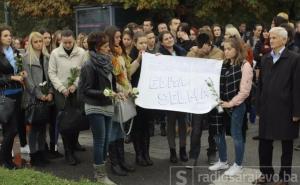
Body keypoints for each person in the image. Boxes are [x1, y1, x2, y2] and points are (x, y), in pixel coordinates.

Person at [253, 27, 300, 185]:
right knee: (264, 145)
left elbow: (297, 87)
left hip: (286, 109)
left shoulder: (294, 59)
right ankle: (266, 174)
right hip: (267, 108)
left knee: (287, 145)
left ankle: (284, 177)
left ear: (284, 40)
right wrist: (258, 107)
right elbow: (260, 85)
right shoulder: (265, 58)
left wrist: (297, 111)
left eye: (274, 38)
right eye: (270, 38)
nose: (270, 40)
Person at [208, 36, 253, 176]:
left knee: (236, 135)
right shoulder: (223, 64)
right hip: (220, 104)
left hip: (236, 106)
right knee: (218, 132)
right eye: (224, 49)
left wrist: (230, 103)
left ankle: (238, 165)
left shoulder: (245, 65)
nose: (226, 51)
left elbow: (245, 92)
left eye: (229, 49)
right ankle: (223, 161)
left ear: (237, 49)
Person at [78, 31, 117, 185]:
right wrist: (105, 93)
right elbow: (85, 89)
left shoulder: (108, 61)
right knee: (100, 140)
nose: (109, 48)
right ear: (97, 47)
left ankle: (102, 172)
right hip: (94, 106)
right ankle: (100, 176)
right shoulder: (88, 64)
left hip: (108, 105)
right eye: (106, 46)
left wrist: (118, 93)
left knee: (107, 141)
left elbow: (111, 84)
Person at [48, 29, 86, 165]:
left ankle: (74, 145)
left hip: (76, 90)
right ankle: (68, 152)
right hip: (61, 91)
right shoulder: (55, 53)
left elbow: (82, 71)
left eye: (70, 42)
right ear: (60, 41)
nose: (68, 45)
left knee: (76, 118)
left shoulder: (81, 53)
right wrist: (62, 88)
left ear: (74, 40)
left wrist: (75, 85)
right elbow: (51, 73)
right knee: (64, 121)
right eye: (65, 42)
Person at [187, 33, 223, 167]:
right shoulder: (193, 52)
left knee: (214, 127)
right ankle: (193, 156)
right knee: (196, 129)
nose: (205, 48)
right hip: (198, 96)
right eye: (201, 46)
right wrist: (197, 52)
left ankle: (212, 152)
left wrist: (203, 54)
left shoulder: (218, 52)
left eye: (207, 45)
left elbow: (215, 63)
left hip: (213, 97)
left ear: (210, 43)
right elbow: (186, 63)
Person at [105, 26, 136, 175]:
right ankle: (115, 163)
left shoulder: (120, 53)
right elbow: (111, 78)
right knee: (113, 129)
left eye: (120, 37)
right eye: (117, 37)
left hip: (124, 93)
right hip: (114, 95)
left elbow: (125, 74)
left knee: (120, 129)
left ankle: (122, 161)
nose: (119, 40)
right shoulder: (108, 54)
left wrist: (129, 89)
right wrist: (121, 90)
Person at [157, 31, 188, 163]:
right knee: (170, 123)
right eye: (166, 39)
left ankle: (182, 149)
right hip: (169, 93)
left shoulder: (181, 51)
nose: (169, 40)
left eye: (170, 37)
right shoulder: (160, 54)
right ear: (162, 42)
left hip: (182, 91)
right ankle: (172, 151)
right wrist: (156, 59)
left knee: (183, 122)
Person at [22, 32, 52, 167]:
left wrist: (50, 92)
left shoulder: (47, 57)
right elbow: (28, 82)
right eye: (36, 42)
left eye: (41, 41)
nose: (39, 44)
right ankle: (33, 155)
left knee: (43, 127)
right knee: (34, 128)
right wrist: (39, 94)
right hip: (34, 98)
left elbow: (50, 76)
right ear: (31, 43)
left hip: (47, 97)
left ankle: (41, 152)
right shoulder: (26, 58)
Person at [0, 24, 26, 169]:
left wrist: (21, 74)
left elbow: (19, 70)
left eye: (10, 35)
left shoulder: (15, 52)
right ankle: (6, 161)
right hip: (5, 96)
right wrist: (12, 78)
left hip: (18, 94)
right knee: (11, 129)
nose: (9, 38)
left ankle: (5, 159)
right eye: (5, 35)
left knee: (12, 129)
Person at [130, 32, 155, 167]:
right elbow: (128, 74)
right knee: (137, 126)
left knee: (146, 126)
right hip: (136, 96)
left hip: (148, 96)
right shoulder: (130, 57)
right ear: (135, 43)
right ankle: (138, 154)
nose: (144, 45)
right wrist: (138, 60)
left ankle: (146, 153)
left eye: (145, 43)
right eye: (141, 43)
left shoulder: (151, 56)